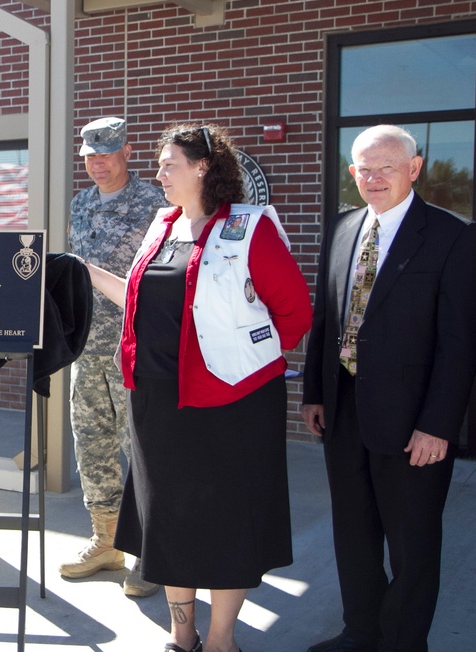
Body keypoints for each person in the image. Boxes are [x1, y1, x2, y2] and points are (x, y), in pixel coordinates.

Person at [83, 123, 312, 652]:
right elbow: (140, 300)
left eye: (170, 164)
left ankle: (220, 641)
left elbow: (294, 314)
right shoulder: (162, 225)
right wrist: (86, 271)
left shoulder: (250, 227)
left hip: (233, 403)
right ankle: (181, 635)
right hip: (159, 402)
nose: (159, 174)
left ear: (203, 167)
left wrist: (244, 358)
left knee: (228, 523)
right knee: (170, 520)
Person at [301, 125, 476, 652]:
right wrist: (314, 393)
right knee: (353, 535)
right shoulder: (341, 228)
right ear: (352, 173)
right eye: (364, 169)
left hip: (413, 421)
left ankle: (403, 642)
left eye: (387, 168)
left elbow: (460, 344)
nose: (374, 179)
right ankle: (362, 631)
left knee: (412, 542)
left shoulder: (453, 235)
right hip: (344, 410)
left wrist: (438, 426)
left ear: (415, 169)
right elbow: (326, 319)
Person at [62, 116, 166, 599]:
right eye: (90, 155)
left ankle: (151, 551)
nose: (97, 163)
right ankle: (106, 541)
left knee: (141, 448)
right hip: (86, 348)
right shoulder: (80, 204)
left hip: (133, 348)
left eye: (106, 153)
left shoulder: (154, 204)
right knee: (93, 445)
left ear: (127, 152)